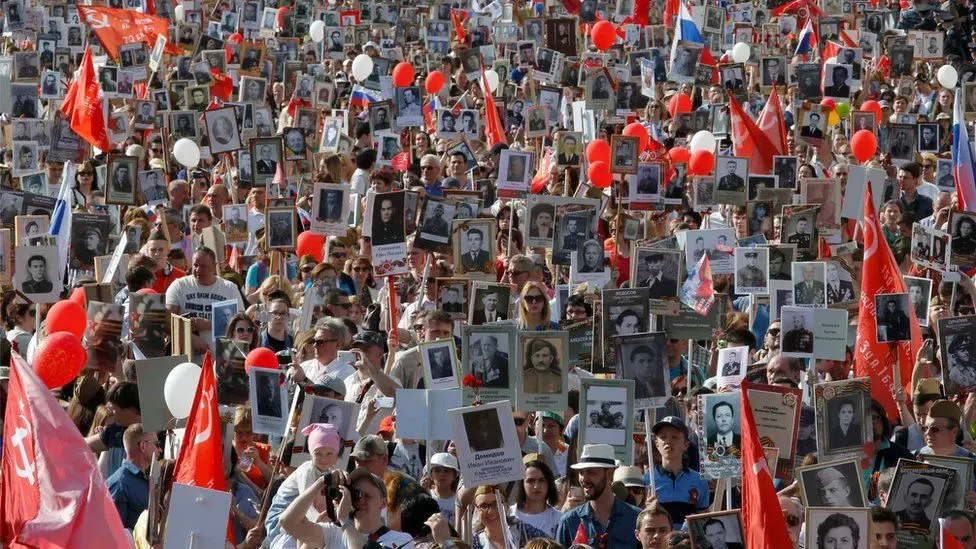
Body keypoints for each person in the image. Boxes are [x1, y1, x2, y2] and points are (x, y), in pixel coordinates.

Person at [556, 443, 642, 548]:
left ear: (610, 474)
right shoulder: (569, 521)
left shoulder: (635, 518)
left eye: (591, 472)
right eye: (581, 473)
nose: (584, 479)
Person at [106, 424, 156, 530]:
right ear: (143, 446)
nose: (160, 449)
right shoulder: (119, 484)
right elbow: (115, 533)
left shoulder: (143, 479)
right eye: (156, 444)